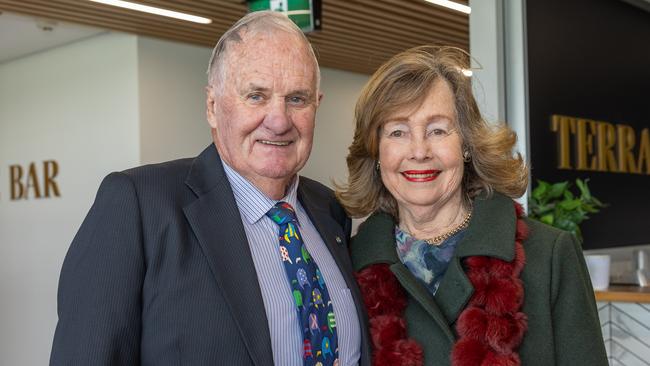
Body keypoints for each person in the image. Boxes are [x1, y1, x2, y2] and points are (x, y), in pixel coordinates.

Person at [50, 11, 370, 366]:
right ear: (213, 107)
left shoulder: (329, 210)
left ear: (316, 106)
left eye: (297, 98)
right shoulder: (138, 205)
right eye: (256, 96)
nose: (279, 120)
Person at [336, 46, 607, 366]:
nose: (419, 151)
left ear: (465, 144)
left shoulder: (550, 255)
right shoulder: (348, 266)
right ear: (377, 154)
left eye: (437, 130)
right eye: (398, 132)